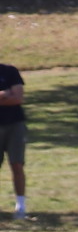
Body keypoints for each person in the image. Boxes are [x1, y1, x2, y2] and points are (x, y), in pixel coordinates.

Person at [2, 61, 25, 219]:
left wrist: (9, 95)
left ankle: (20, 206)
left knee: (17, 165)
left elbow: (17, 98)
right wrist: (4, 94)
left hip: (15, 124)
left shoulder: (10, 71)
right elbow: (11, 96)